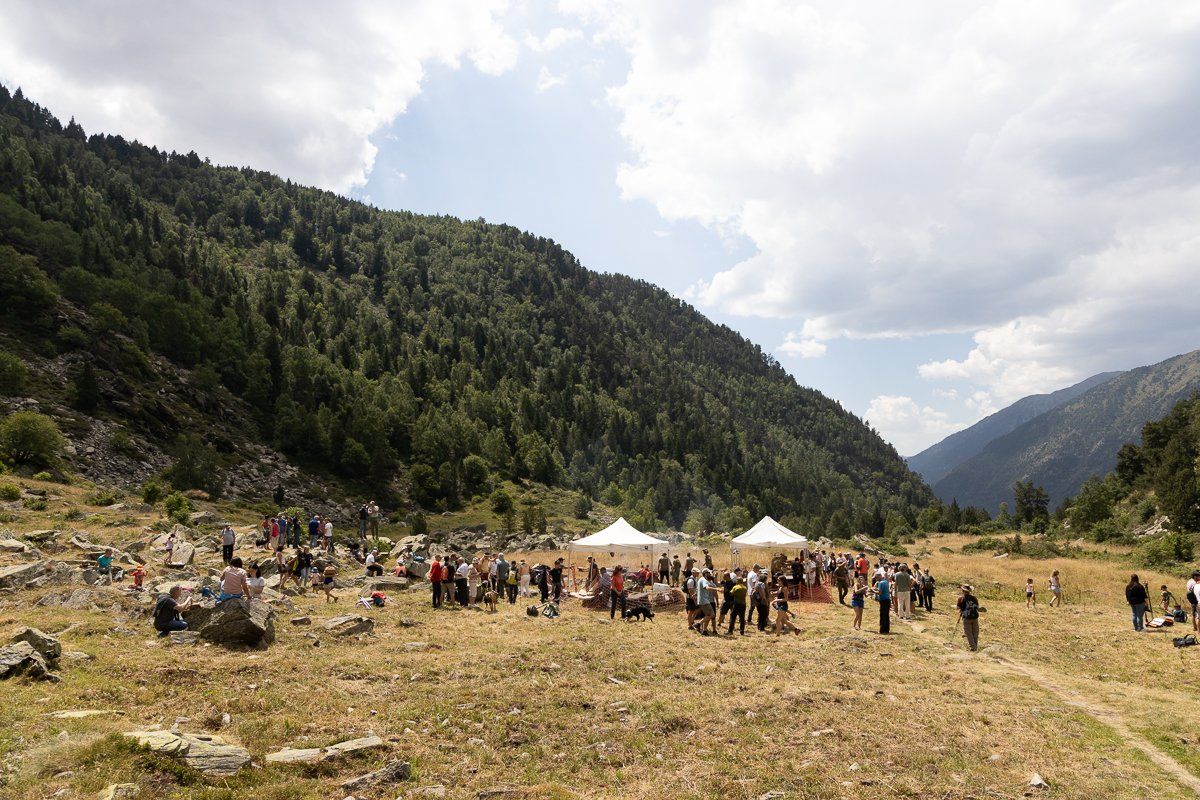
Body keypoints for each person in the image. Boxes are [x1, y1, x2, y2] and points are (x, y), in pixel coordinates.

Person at [956, 585, 981, 651]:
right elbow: (978, 607)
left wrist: (962, 609)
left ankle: (973, 647)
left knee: (968, 633)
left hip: (966, 617)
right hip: (975, 617)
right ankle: (975, 645)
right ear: (970, 591)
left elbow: (958, 607)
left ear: (963, 591)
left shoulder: (961, 598)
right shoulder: (974, 598)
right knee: (975, 632)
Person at [696, 569, 718, 635]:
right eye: (708, 573)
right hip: (704, 601)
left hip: (704, 600)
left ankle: (704, 630)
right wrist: (717, 589)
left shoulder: (702, 580)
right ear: (705, 573)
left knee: (708, 615)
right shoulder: (703, 580)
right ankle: (698, 624)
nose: (709, 574)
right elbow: (707, 588)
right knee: (712, 615)